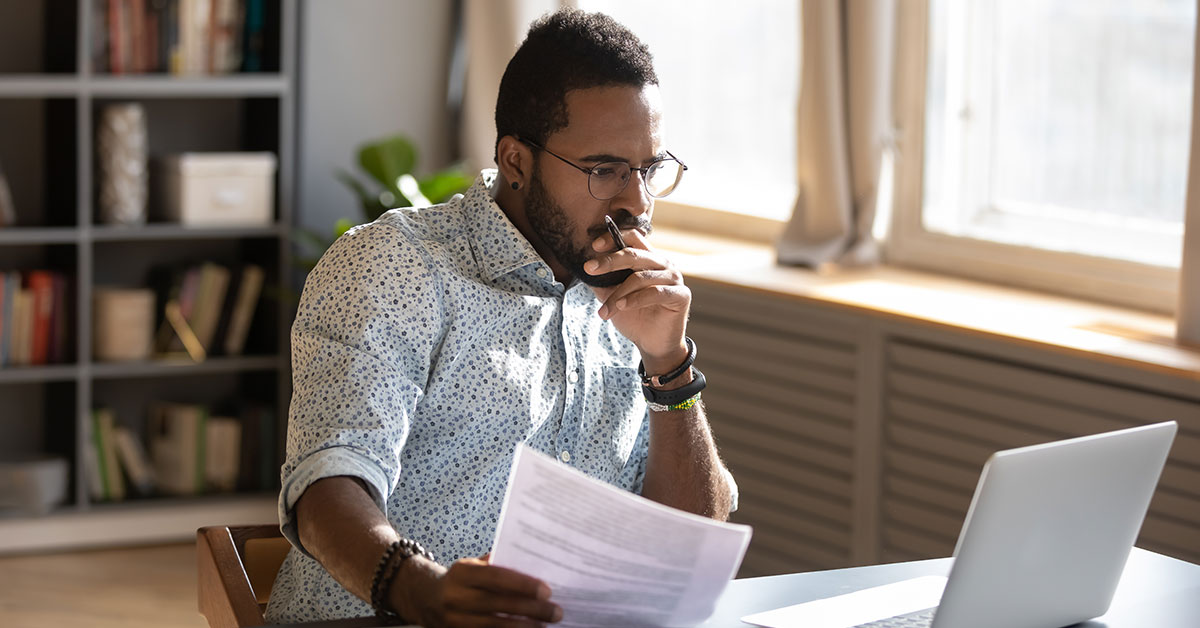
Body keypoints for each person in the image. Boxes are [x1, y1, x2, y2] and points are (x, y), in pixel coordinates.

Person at [265, 8, 736, 626]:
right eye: (604, 171)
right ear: (515, 161)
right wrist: (419, 592)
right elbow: (327, 483)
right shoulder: (395, 266)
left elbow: (690, 540)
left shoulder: (633, 298)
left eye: (648, 170)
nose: (636, 203)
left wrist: (668, 364)